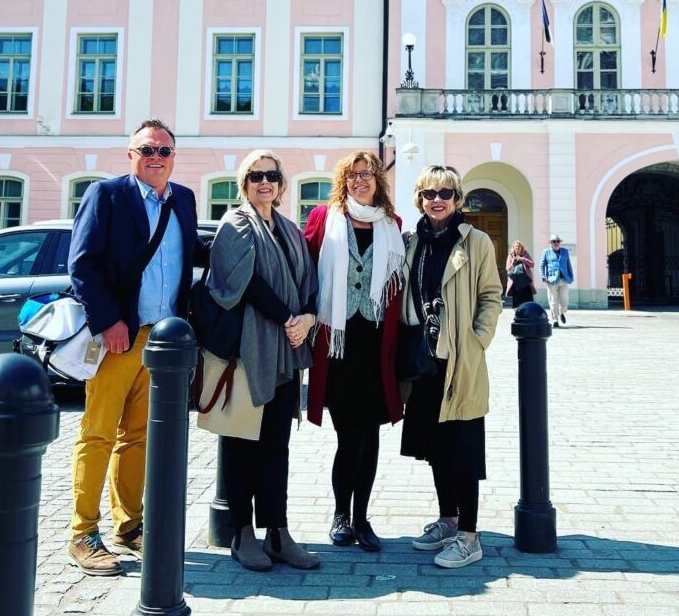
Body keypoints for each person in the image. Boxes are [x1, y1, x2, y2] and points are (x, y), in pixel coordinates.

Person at [67, 118, 205, 576]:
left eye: (164, 150)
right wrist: (108, 322)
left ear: (173, 156)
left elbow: (193, 256)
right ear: (131, 155)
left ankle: (129, 526)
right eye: (147, 149)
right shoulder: (107, 196)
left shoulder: (183, 199)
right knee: (98, 432)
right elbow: (83, 265)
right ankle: (83, 533)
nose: (156, 157)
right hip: (119, 337)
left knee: (140, 438)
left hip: (163, 340)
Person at [206, 149, 319, 572]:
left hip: (287, 350)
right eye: (256, 176)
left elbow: (309, 279)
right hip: (251, 349)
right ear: (244, 183)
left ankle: (278, 532)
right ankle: (241, 533)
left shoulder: (289, 228)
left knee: (276, 446)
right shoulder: (236, 223)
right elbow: (244, 281)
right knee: (241, 444)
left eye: (272, 175)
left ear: (282, 183)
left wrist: (306, 317)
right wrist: (289, 318)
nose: (265, 182)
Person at [400, 165, 502, 569]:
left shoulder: (475, 241)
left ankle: (469, 536)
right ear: (420, 200)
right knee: (436, 449)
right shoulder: (414, 243)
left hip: (460, 359)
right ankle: (448, 519)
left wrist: (478, 341)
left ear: (458, 199)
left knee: (463, 449)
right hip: (424, 358)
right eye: (429, 194)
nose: (437, 199)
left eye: (445, 193)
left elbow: (492, 295)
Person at [304, 151, 404, 552]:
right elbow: (304, 271)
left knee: (372, 435)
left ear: (378, 180)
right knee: (350, 436)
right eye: (352, 175)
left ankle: (362, 517)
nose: (360, 181)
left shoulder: (392, 225)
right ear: (343, 181)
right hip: (338, 345)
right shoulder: (322, 221)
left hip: (378, 347)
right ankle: (340, 514)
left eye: (367, 175)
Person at [539, 234, 575, 327]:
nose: (556, 243)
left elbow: (568, 265)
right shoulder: (546, 252)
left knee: (564, 300)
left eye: (558, 241)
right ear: (551, 243)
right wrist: (543, 277)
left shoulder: (565, 252)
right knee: (553, 301)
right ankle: (555, 320)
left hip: (564, 279)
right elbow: (542, 266)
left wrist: (571, 276)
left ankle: (562, 312)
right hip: (551, 280)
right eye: (554, 241)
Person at [505, 240, 535, 307]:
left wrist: (522, 259)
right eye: (516, 247)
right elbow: (507, 268)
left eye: (519, 247)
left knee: (528, 302)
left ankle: (528, 316)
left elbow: (532, 265)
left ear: (522, 248)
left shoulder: (526, 254)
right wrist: (513, 261)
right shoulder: (510, 256)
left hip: (526, 283)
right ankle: (518, 315)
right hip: (515, 283)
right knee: (516, 303)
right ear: (513, 248)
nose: (517, 248)